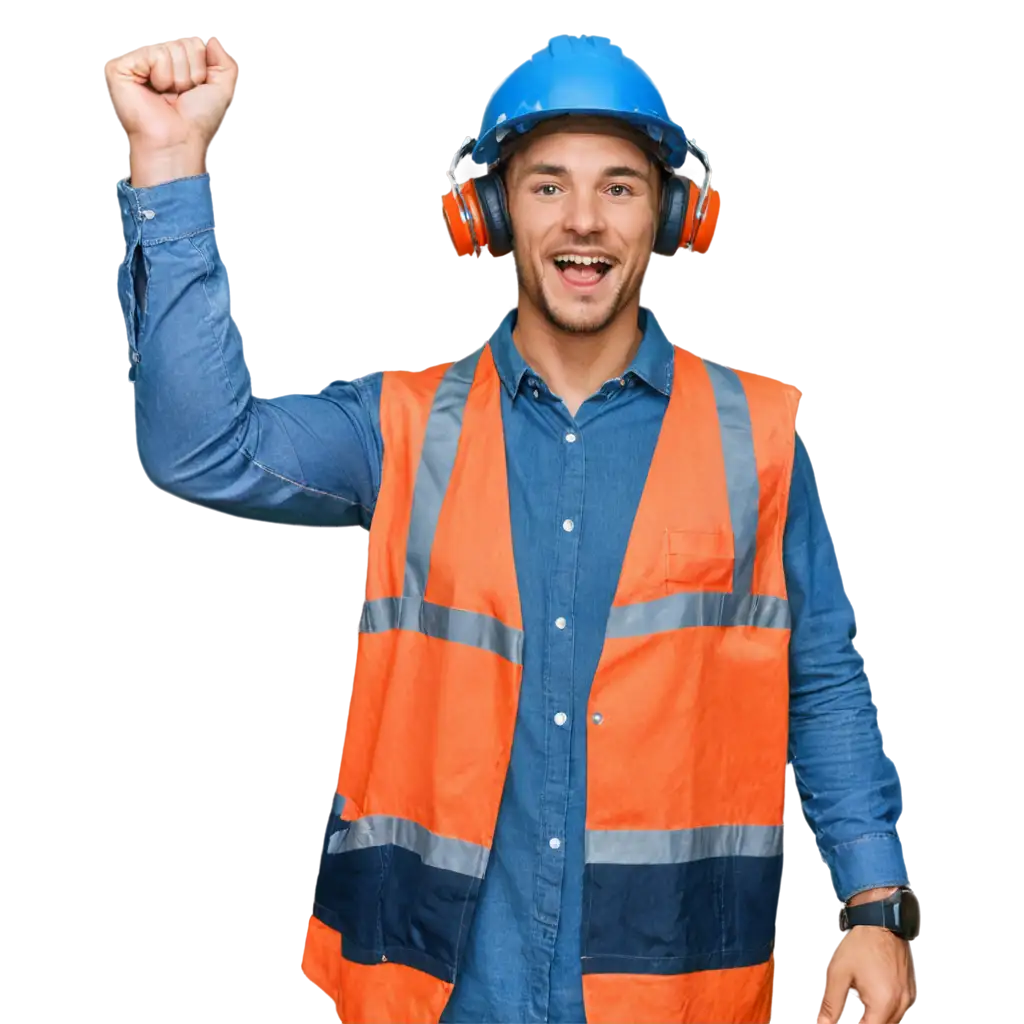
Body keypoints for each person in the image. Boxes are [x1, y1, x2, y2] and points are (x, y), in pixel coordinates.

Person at [103, 32, 918, 1024]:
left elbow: (820, 676)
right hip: (437, 991)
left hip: (676, 992)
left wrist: (871, 903)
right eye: (546, 187)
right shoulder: (398, 426)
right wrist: (168, 164)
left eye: (619, 187)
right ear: (487, 209)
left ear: (670, 212)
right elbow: (196, 446)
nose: (584, 221)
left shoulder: (760, 438)